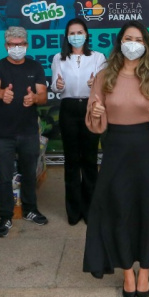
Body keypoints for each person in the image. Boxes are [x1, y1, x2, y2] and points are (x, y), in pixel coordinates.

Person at [84, 21, 149, 297]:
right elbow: (95, 117)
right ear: (120, 42)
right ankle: (127, 271)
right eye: (128, 38)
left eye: (138, 39)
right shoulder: (105, 76)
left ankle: (144, 271)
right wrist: (96, 110)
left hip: (146, 148)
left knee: (147, 207)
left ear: (146, 45)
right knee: (118, 208)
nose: (133, 44)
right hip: (115, 148)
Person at [0, 26, 50, 237]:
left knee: (29, 173)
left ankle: (30, 209)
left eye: (21, 44)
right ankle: (5, 216)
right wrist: (1, 93)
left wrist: (35, 98)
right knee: (4, 176)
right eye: (13, 44)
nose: (17, 48)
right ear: (6, 46)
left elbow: (43, 95)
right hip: (3, 133)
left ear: (26, 45)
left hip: (28, 131)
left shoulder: (35, 66)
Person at [50, 18, 106, 225]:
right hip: (68, 108)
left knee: (90, 160)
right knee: (72, 161)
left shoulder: (98, 57)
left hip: (90, 108)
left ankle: (91, 210)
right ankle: (73, 211)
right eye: (72, 33)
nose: (76, 36)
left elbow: (105, 85)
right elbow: (55, 87)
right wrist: (58, 85)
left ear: (86, 34)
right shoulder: (58, 58)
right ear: (67, 36)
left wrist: (95, 83)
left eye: (79, 32)